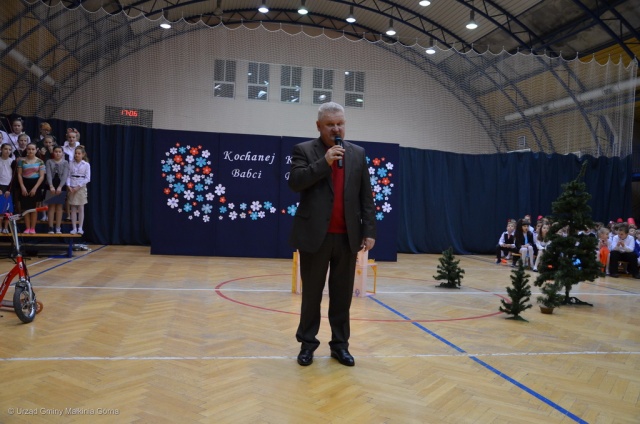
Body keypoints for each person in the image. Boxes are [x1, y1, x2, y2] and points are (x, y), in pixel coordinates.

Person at [288, 102, 376, 367]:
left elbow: (366, 196)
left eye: (340, 124)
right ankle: (307, 345)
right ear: (319, 126)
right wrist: (324, 162)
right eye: (330, 124)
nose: (336, 129)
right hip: (315, 236)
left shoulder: (357, 153)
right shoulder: (304, 150)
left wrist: (369, 230)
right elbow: (296, 182)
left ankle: (340, 346)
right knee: (311, 296)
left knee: (342, 296)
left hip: (348, 237)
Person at [17, 143, 45, 233]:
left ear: (36, 150)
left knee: (34, 209)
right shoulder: (21, 161)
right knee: (26, 208)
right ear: (26, 149)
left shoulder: (40, 161)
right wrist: (22, 187)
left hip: (36, 185)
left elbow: (42, 176)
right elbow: (19, 174)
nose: (31, 151)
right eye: (29, 149)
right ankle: (27, 227)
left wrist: (35, 188)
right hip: (25, 185)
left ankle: (33, 228)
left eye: (33, 149)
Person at [45, 146, 70, 234]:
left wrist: (60, 186)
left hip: (61, 185)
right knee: (51, 207)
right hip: (51, 184)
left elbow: (65, 175)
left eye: (59, 152)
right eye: (56, 151)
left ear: (62, 153)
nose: (58, 153)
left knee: (59, 207)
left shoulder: (65, 162)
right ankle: (50, 227)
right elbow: (48, 174)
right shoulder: (49, 161)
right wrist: (51, 186)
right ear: (53, 152)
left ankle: (58, 227)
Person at [67, 146, 90, 235]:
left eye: (79, 153)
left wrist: (78, 186)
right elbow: (68, 175)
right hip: (72, 186)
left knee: (81, 207)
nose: (77, 155)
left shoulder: (86, 164)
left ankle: (80, 227)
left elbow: (87, 178)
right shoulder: (70, 163)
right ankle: (74, 228)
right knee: (73, 207)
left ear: (83, 154)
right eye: (75, 153)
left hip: (81, 187)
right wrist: (68, 185)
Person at [0, 142, 14, 233]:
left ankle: (6, 227)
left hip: (9, 187)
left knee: (8, 209)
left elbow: (14, 177)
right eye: (5, 149)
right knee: (1, 208)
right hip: (0, 186)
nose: (7, 151)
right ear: (1, 149)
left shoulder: (12, 161)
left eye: (9, 149)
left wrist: (9, 189)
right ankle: (0, 227)